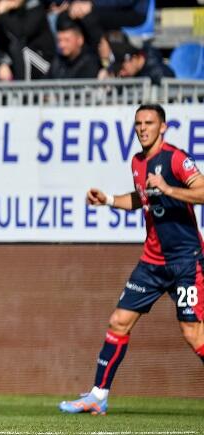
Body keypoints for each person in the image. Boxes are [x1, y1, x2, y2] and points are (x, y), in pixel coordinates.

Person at [60, 104, 204, 415]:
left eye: (149, 122)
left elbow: (202, 190)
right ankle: (98, 396)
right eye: (138, 123)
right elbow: (142, 198)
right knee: (118, 322)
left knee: (193, 333)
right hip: (151, 262)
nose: (142, 128)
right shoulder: (138, 162)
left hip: (185, 261)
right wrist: (109, 200)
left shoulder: (176, 158)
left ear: (163, 127)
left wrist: (168, 188)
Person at [47, 12, 100, 80]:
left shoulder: (90, 64)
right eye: (59, 40)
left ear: (80, 40)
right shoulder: (57, 62)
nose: (62, 45)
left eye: (67, 40)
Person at [108, 38, 174, 86]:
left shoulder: (158, 73)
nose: (122, 73)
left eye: (123, 68)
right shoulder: (138, 73)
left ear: (134, 58)